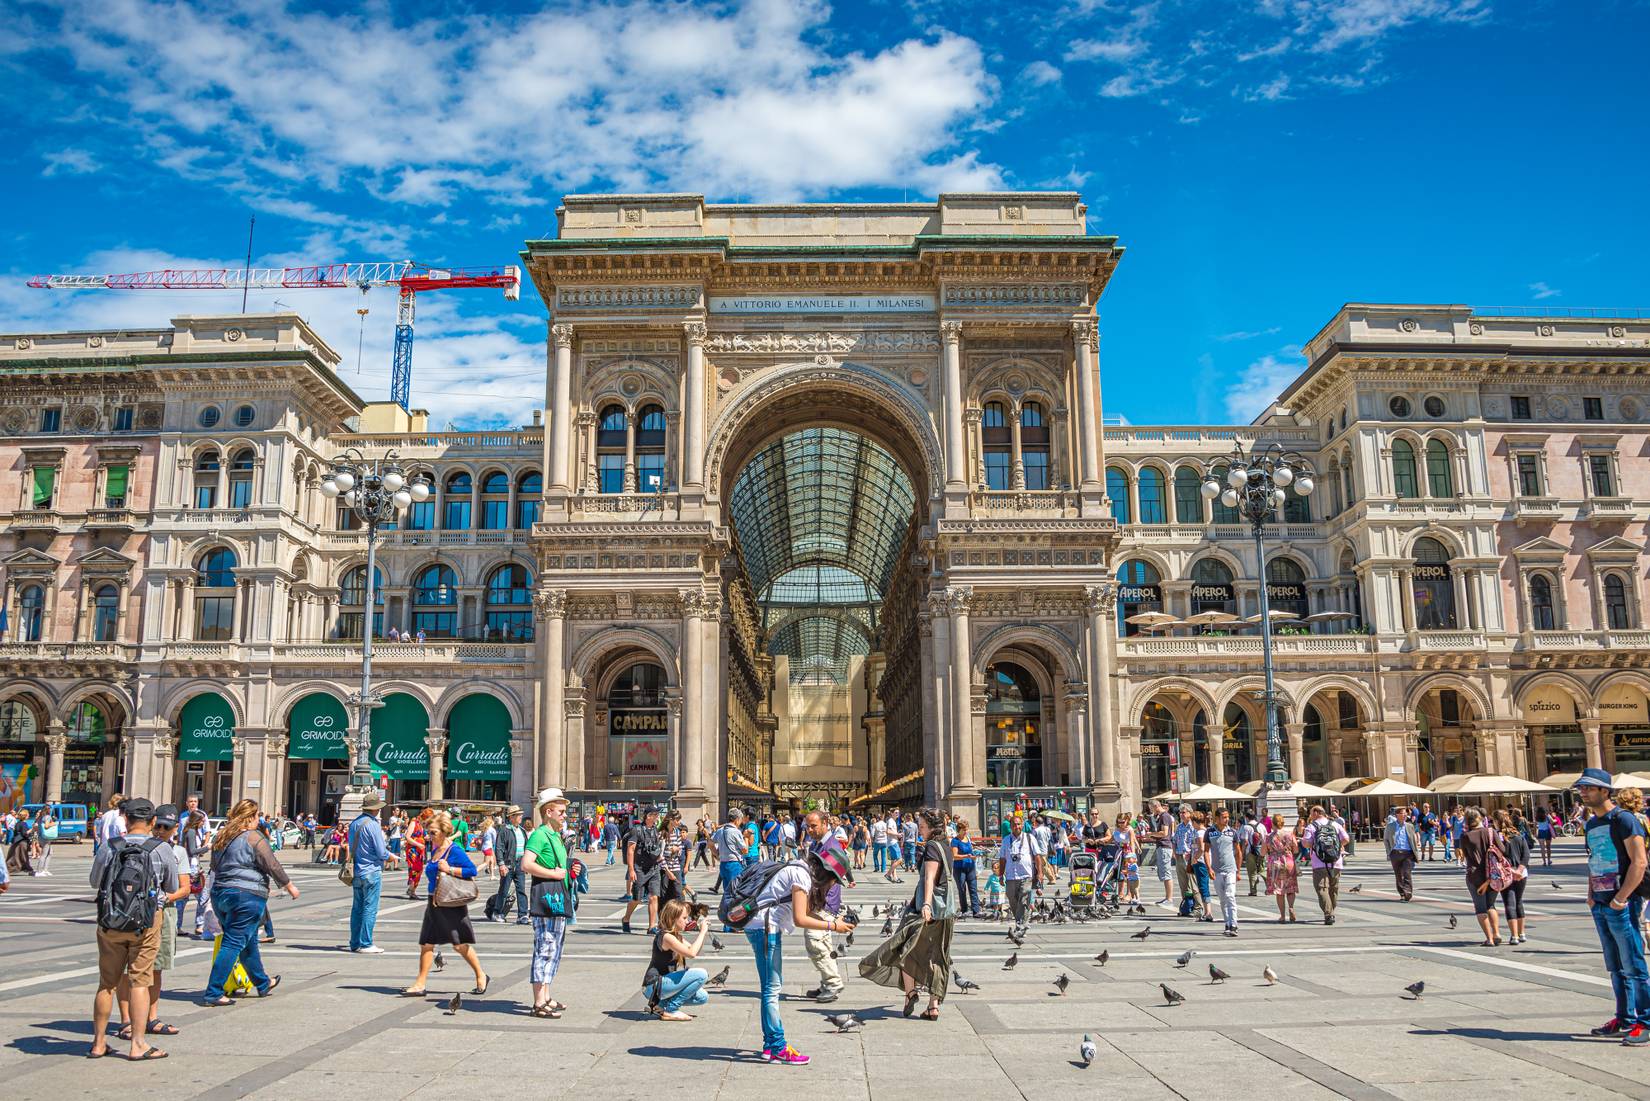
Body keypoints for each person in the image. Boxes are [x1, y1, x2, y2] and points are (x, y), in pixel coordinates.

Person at [88, 798, 181, 1060]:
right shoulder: (161, 848)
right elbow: (172, 886)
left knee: (107, 983)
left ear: (126, 820)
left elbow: (95, 881)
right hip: (147, 921)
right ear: (153, 822)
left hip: (111, 921)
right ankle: (138, 1044)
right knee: (140, 980)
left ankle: (98, 1043)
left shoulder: (110, 846)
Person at [745, 845, 852, 1065]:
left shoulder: (800, 869)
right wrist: (832, 926)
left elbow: (803, 911)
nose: (832, 886)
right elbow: (800, 919)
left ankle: (770, 1046)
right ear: (827, 874)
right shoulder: (802, 876)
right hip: (766, 929)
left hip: (761, 927)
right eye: (834, 881)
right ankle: (776, 1047)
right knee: (771, 989)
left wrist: (833, 923)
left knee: (771, 987)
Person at [1572, 769, 1650, 1044]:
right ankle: (1624, 1018)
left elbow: (1639, 861)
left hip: (1621, 902)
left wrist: (1622, 898)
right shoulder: (1592, 824)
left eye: (1588, 788)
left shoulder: (1625, 819)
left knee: (1634, 963)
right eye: (1581, 788)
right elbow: (1594, 860)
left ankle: (1646, 1021)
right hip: (1601, 902)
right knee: (1615, 966)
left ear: (1605, 791)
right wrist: (1591, 893)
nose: (1583, 792)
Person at [861, 807, 955, 1021]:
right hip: (946, 911)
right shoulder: (946, 847)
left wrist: (927, 904)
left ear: (933, 828)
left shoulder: (931, 847)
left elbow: (930, 878)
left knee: (905, 947)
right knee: (939, 957)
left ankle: (911, 992)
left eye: (922, 827)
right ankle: (933, 1006)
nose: (919, 830)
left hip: (926, 909)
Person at [200, 799, 296, 1006]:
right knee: (233, 943)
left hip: (221, 894)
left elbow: (214, 866)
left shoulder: (222, 836)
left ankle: (262, 982)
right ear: (251, 817)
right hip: (246, 895)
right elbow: (271, 863)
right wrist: (289, 886)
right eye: (257, 816)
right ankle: (214, 991)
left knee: (248, 941)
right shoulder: (253, 837)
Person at [116, 803, 192, 1044]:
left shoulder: (176, 852)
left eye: (165, 827)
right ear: (150, 823)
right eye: (157, 825)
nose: (160, 830)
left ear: (175, 828)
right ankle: (127, 1020)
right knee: (128, 971)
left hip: (160, 912)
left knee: (155, 968)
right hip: (132, 912)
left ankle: (151, 1017)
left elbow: (182, 888)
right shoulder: (125, 846)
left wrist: (160, 899)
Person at [401, 810, 487, 997]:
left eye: (433, 832)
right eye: (428, 831)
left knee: (459, 945)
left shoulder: (454, 850)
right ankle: (420, 983)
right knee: (427, 943)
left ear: (444, 832)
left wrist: (450, 869)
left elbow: (471, 870)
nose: (428, 836)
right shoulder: (434, 848)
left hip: (450, 904)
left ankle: (481, 975)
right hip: (434, 901)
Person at [523, 788, 578, 1018]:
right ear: (548, 812)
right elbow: (526, 864)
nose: (565, 815)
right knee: (545, 948)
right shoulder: (539, 835)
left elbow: (559, 866)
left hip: (556, 899)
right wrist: (554, 874)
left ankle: (546, 995)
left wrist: (570, 871)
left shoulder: (555, 836)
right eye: (562, 811)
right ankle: (538, 1002)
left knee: (554, 949)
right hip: (546, 899)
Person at [799, 810, 855, 1003]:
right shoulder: (819, 843)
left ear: (825, 824)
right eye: (808, 826)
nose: (810, 829)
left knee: (815, 941)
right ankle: (826, 982)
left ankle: (832, 983)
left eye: (814, 826)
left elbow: (837, 873)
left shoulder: (831, 846)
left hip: (824, 902)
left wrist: (819, 892)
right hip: (819, 899)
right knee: (822, 943)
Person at [646, 898, 711, 1021]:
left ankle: (660, 1006)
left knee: (702, 997)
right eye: (684, 918)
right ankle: (671, 1010)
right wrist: (702, 932)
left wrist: (703, 933)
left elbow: (693, 950)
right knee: (701, 974)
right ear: (673, 919)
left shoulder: (676, 936)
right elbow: (691, 953)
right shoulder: (666, 937)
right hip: (654, 985)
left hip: (662, 985)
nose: (688, 921)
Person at [347, 792, 388, 953]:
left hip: (356, 871)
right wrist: (389, 856)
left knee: (357, 908)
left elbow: (351, 847)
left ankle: (355, 942)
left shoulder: (354, 823)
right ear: (375, 809)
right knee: (370, 908)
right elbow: (381, 851)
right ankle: (366, 943)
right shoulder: (373, 825)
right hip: (372, 870)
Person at [1458, 806, 1504, 946]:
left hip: (1475, 875)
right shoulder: (1490, 832)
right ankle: (1496, 933)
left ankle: (1489, 939)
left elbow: (1464, 855)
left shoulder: (1465, 836)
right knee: (1491, 905)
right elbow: (1502, 850)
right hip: (1493, 875)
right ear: (1479, 818)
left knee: (1480, 908)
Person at [1300, 804, 1348, 925]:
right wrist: (1334, 848)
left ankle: (1328, 913)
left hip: (1319, 862)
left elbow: (1306, 844)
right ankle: (1331, 910)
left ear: (1316, 813)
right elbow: (1346, 839)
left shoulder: (1311, 826)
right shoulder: (1335, 824)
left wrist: (1315, 845)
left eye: (1311, 813)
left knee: (1321, 888)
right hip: (1335, 861)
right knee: (1333, 888)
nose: (1310, 815)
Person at [622, 806, 666, 935]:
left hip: (653, 868)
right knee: (637, 899)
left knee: (653, 897)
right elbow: (630, 850)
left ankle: (652, 926)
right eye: (655, 815)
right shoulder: (636, 830)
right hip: (640, 868)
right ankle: (626, 918)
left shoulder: (655, 830)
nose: (657, 817)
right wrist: (631, 870)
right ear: (648, 816)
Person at [996, 813, 1043, 930]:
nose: (1017, 826)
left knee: (1024, 899)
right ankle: (1020, 921)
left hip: (1026, 875)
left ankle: (1021, 925)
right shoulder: (1006, 840)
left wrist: (1040, 873)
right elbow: (1002, 859)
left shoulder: (1029, 838)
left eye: (1018, 824)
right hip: (1011, 876)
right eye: (1014, 825)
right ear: (1010, 826)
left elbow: (1037, 856)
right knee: (1012, 899)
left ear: (1022, 825)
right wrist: (1001, 875)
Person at [1203, 806, 1245, 937]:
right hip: (1217, 870)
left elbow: (1238, 852)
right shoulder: (1210, 832)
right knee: (1222, 899)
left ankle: (1234, 924)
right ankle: (1227, 922)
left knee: (1230, 896)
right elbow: (1206, 851)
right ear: (1217, 818)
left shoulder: (1232, 832)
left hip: (1230, 869)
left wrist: (1238, 871)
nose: (1227, 819)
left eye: (1227, 817)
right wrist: (1209, 868)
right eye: (1224, 817)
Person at [1494, 808, 1531, 945]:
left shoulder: (1498, 838)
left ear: (1497, 822)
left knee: (1510, 903)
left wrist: (1512, 870)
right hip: (1522, 874)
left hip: (1506, 874)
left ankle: (1514, 935)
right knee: (1519, 902)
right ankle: (1522, 934)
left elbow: (1498, 858)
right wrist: (1520, 870)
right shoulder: (1518, 835)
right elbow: (1526, 855)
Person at [488, 805, 530, 925]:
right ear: (511, 817)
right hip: (508, 864)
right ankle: (497, 912)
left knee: (521, 890)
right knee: (504, 890)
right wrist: (501, 864)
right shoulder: (504, 830)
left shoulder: (521, 830)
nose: (521, 817)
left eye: (520, 815)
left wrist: (526, 863)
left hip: (519, 864)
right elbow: (499, 848)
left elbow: (526, 847)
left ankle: (522, 915)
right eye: (518, 815)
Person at [1263, 812, 1299, 922]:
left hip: (1275, 863)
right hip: (1288, 862)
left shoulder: (1269, 837)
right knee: (1290, 888)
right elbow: (1296, 849)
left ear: (1272, 824)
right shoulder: (1289, 835)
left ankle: (1283, 916)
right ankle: (1291, 907)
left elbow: (1262, 852)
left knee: (1279, 891)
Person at [1384, 805, 1422, 902]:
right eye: (1402, 813)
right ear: (1397, 815)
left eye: (1406, 813)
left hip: (1407, 853)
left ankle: (1408, 892)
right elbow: (1386, 840)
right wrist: (1389, 852)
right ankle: (1401, 892)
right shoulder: (1390, 826)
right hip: (1395, 853)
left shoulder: (1410, 826)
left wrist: (1416, 853)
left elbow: (1413, 840)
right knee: (1398, 874)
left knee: (1407, 873)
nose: (1404, 815)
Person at [713, 807, 748, 902]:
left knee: (727, 891)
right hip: (734, 864)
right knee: (735, 891)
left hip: (723, 864)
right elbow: (745, 850)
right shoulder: (735, 832)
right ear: (737, 820)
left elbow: (710, 843)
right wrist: (747, 838)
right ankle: (731, 911)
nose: (740, 822)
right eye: (740, 820)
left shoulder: (720, 831)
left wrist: (716, 855)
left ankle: (726, 910)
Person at [950, 817, 981, 918]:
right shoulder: (955, 841)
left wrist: (975, 853)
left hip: (970, 866)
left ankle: (976, 911)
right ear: (959, 830)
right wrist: (966, 856)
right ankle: (964, 910)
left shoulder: (968, 839)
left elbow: (970, 851)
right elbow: (954, 856)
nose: (966, 832)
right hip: (959, 868)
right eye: (964, 830)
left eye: (967, 829)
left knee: (973, 888)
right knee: (962, 889)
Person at [34, 805, 56, 876]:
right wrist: (53, 823)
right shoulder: (47, 817)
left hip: (41, 836)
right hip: (45, 838)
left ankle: (45, 870)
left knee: (50, 852)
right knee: (44, 854)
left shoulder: (40, 817)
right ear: (48, 810)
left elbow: (36, 826)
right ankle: (39, 871)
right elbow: (46, 826)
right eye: (50, 809)